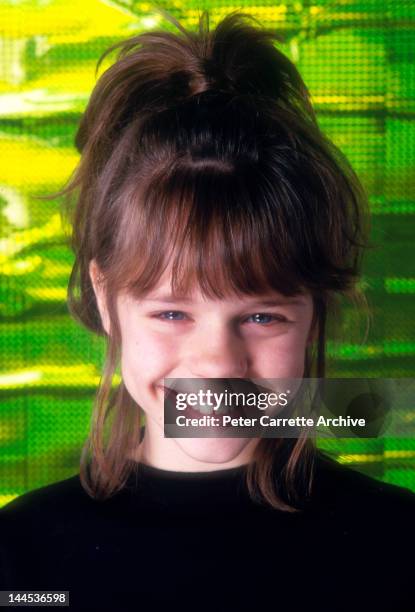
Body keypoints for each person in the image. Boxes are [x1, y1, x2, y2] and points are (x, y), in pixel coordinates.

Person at [0, 9, 414, 612]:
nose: (216, 363)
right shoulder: (20, 558)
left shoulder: (398, 549)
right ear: (106, 299)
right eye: (172, 313)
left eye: (262, 315)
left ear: (314, 313)